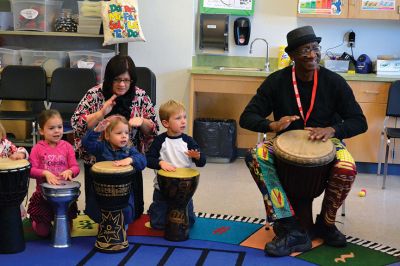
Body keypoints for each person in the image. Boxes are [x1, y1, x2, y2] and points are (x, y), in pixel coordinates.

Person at [239, 25, 367, 257]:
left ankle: (326, 223)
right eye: (304, 50)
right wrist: (272, 125)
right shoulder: (277, 81)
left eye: (315, 48)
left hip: (330, 144)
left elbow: (359, 121)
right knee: (255, 155)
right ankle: (290, 226)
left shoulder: (334, 82)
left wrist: (333, 129)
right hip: (283, 145)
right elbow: (247, 117)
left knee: (347, 168)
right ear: (293, 56)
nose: (311, 54)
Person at [71, 54, 158, 223]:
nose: (122, 84)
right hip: (99, 159)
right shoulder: (94, 94)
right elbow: (77, 123)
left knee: (133, 212)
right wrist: (101, 113)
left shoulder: (140, 96)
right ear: (109, 78)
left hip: (127, 160)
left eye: (127, 80)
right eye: (117, 80)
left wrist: (142, 122)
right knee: (98, 213)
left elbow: (153, 129)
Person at [146, 100, 206, 229]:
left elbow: (202, 163)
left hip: (184, 189)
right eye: (178, 118)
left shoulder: (188, 141)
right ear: (166, 123)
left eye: (184, 117)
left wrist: (198, 157)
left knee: (189, 222)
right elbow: (148, 160)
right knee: (157, 224)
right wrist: (160, 163)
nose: (183, 121)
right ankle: (154, 209)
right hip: (162, 188)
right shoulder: (160, 141)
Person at [82, 115, 147, 225]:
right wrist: (96, 131)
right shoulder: (101, 147)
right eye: (119, 133)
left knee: (124, 212)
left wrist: (130, 159)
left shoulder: (129, 150)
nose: (124, 136)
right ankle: (104, 225)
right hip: (102, 189)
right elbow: (87, 144)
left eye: (126, 133)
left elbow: (143, 161)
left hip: (123, 191)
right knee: (99, 210)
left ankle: (122, 226)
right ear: (107, 135)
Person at [28, 110, 80, 237]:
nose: (57, 131)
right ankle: (37, 222)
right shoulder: (37, 148)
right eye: (51, 128)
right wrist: (45, 173)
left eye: (60, 127)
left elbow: (76, 167)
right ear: (41, 131)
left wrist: (70, 171)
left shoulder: (67, 147)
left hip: (63, 196)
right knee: (43, 233)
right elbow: (30, 170)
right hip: (44, 195)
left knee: (67, 231)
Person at [0, 122, 30, 218]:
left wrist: (20, 154)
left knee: (10, 215)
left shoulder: (5, 144)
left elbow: (21, 150)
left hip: (5, 186)